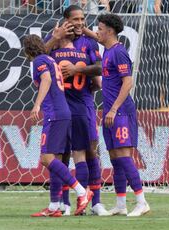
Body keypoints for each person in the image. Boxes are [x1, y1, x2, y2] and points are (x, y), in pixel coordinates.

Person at [46, 4, 109, 216]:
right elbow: (39, 58)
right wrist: (55, 38)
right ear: (66, 20)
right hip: (61, 104)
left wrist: (77, 69)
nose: (80, 23)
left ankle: (96, 202)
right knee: (61, 154)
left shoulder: (89, 41)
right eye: (76, 19)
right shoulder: (55, 38)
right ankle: (65, 203)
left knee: (91, 150)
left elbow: (100, 68)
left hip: (84, 103)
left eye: (83, 19)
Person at [23, 34, 93, 217]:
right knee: (55, 160)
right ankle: (55, 206)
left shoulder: (39, 61)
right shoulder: (50, 59)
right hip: (63, 113)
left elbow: (46, 79)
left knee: (47, 158)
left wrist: (37, 104)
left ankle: (81, 192)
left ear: (26, 51)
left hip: (54, 114)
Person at [96, 13, 150, 216]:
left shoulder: (119, 52)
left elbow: (128, 82)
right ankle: (120, 204)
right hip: (110, 112)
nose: (97, 32)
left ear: (110, 31)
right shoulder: (108, 51)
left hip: (120, 111)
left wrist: (113, 109)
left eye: (100, 28)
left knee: (123, 156)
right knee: (114, 158)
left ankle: (141, 201)